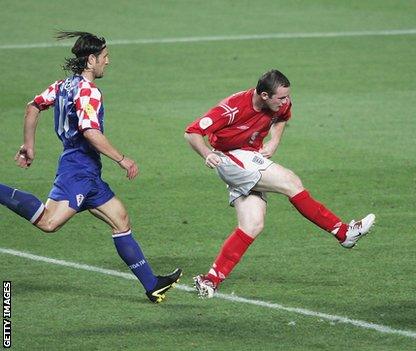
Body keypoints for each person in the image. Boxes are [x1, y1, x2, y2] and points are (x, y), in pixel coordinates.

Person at [0, 31, 181, 303]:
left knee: (120, 219)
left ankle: (152, 285)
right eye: (105, 57)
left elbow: (32, 107)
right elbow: (90, 132)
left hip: (87, 172)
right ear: (91, 59)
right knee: (49, 222)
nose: (108, 62)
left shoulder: (62, 86)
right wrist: (122, 159)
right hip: (78, 170)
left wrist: (29, 145)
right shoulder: (89, 92)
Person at [185, 69, 375, 298]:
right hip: (230, 158)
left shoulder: (279, 104)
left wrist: (274, 141)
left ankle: (210, 280)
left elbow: (282, 118)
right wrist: (206, 153)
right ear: (264, 96)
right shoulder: (232, 107)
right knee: (291, 181)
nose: (286, 102)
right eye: (281, 98)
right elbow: (192, 132)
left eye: (287, 97)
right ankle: (343, 232)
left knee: (252, 225)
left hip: (249, 158)